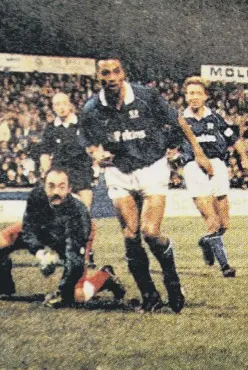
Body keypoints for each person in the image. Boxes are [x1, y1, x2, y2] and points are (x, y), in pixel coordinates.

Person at [80, 56, 213, 313]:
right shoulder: (93, 107)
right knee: (131, 235)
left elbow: (178, 121)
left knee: (150, 232)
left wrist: (199, 153)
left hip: (151, 166)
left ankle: (172, 280)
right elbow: (87, 138)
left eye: (115, 72)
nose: (110, 78)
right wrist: (95, 152)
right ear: (98, 78)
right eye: (105, 73)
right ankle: (149, 295)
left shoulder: (145, 96)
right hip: (119, 171)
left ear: (123, 74)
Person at [0, 168, 125, 307]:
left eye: (61, 187)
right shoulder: (36, 196)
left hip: (68, 239)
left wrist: (62, 291)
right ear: (44, 186)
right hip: (46, 231)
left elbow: (75, 261)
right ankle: (2, 283)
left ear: (69, 189)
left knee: (77, 296)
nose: (56, 191)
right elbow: (28, 229)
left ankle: (105, 277)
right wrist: (40, 253)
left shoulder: (79, 215)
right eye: (51, 186)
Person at [180, 76, 238, 278]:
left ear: (205, 96)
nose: (193, 97)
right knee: (211, 220)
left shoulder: (216, 118)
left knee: (224, 224)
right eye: (190, 93)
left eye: (197, 93)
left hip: (218, 166)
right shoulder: (180, 120)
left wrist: (245, 157)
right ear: (185, 96)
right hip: (193, 167)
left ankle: (206, 241)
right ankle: (225, 266)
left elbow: (233, 138)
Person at [40, 92, 96, 267]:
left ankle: (87, 253)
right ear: (53, 107)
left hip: (81, 173)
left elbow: (94, 147)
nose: (61, 107)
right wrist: (47, 173)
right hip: (60, 176)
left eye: (64, 103)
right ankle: (57, 251)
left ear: (70, 104)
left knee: (84, 214)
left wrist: (97, 164)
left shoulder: (83, 124)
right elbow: (45, 153)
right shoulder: (51, 128)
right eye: (57, 104)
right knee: (57, 215)